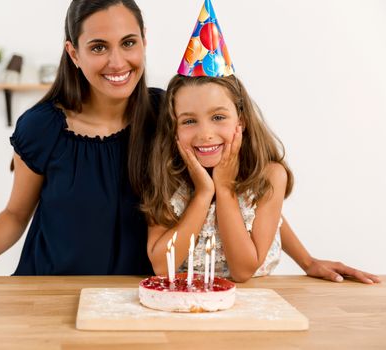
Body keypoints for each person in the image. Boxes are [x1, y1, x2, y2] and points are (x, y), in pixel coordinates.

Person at [0, 0, 379, 286]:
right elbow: (16, 214)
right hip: (47, 292)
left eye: (128, 43)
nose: (116, 61)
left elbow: (245, 189)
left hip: (139, 297)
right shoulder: (42, 127)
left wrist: (307, 259)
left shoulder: (172, 116)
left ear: (144, 41)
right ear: (73, 53)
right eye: (98, 46)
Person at [141, 0, 380, 283]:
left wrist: (225, 189)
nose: (205, 133)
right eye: (189, 121)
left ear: (240, 121)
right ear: (174, 129)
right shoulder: (165, 175)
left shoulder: (268, 176)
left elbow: (243, 270)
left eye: (218, 117)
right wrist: (205, 193)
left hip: (252, 302)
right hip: (183, 302)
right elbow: (161, 265)